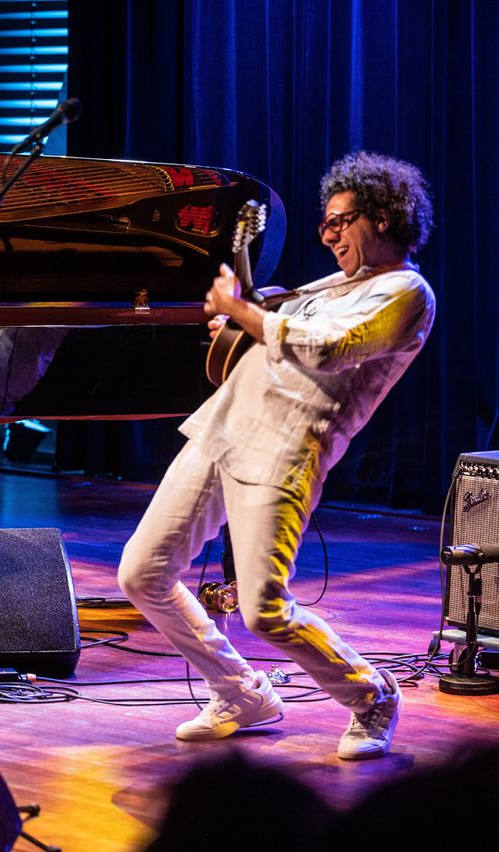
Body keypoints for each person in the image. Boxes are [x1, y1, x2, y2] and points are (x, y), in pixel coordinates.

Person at [117, 151, 436, 760]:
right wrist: (237, 330)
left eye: (341, 220)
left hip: (286, 452)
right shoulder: (328, 286)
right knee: (142, 573)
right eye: (326, 221)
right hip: (222, 432)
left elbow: (330, 350)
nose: (328, 233)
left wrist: (247, 315)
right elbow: (271, 331)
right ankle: (239, 691)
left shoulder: (405, 293)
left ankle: (372, 694)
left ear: (386, 217)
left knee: (264, 609)